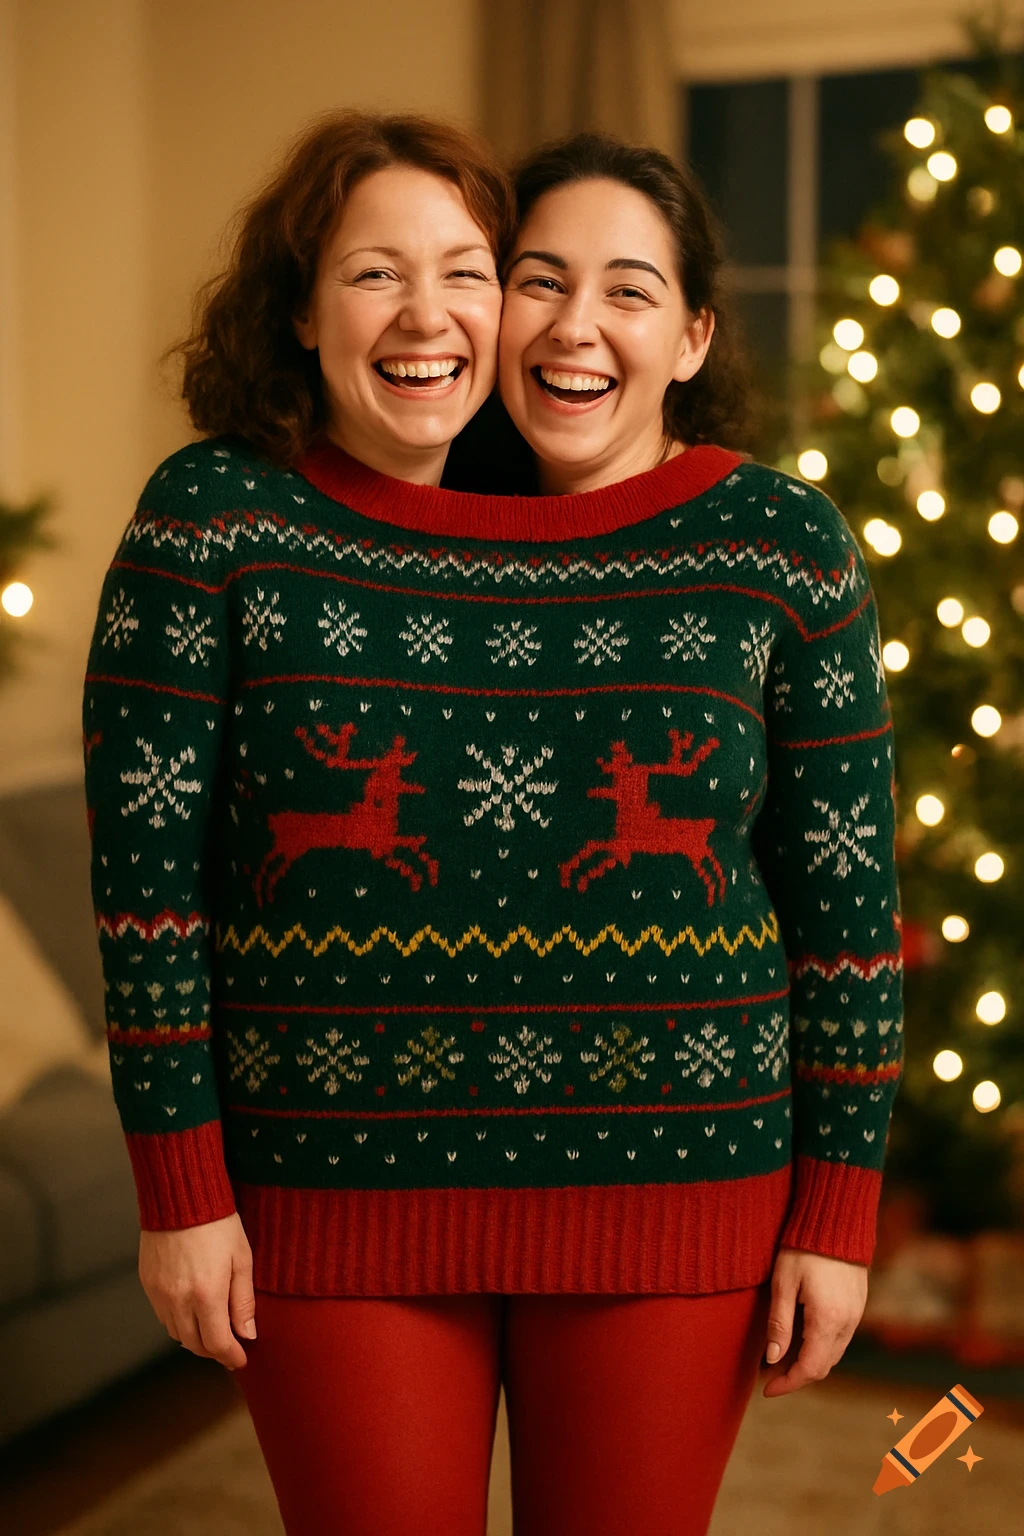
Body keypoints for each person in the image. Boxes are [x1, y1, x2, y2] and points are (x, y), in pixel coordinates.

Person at [82, 118, 902, 1536]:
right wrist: (180, 1190)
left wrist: (835, 1214)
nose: (570, 325)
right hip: (330, 1198)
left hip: (678, 1192)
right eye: (534, 277)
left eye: (631, 290)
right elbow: (150, 898)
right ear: (300, 307)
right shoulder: (219, 520)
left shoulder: (780, 545)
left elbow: (843, 910)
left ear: (697, 336)